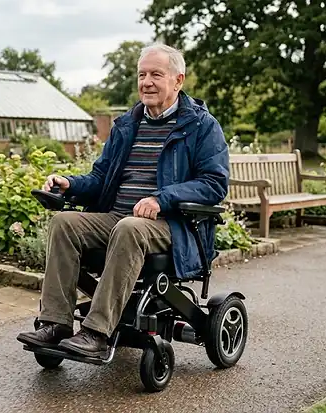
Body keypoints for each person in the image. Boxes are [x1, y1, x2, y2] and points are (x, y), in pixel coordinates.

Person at [16, 43, 230, 359]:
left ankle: (96, 333)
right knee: (63, 223)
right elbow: (101, 177)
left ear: (178, 80)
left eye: (156, 74)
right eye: (142, 75)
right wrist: (69, 183)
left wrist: (162, 199)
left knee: (131, 227)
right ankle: (56, 324)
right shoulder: (128, 124)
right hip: (118, 218)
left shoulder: (201, 125)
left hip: (173, 225)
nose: (146, 82)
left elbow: (214, 184)